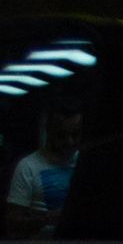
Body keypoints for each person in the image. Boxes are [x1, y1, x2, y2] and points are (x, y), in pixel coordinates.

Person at [5, 101, 82, 237]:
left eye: (75, 135)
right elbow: (12, 225)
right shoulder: (28, 166)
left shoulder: (84, 162)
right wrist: (46, 219)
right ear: (49, 132)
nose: (69, 141)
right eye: (61, 135)